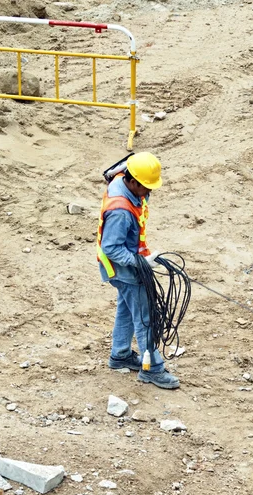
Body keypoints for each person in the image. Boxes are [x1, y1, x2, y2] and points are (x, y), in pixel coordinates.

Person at [97, 151, 180, 389]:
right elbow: (111, 247)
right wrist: (143, 262)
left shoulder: (123, 176)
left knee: (127, 309)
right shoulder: (121, 211)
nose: (149, 192)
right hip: (123, 268)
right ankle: (152, 369)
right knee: (145, 317)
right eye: (145, 187)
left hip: (123, 266)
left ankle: (120, 354)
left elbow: (126, 163)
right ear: (131, 181)